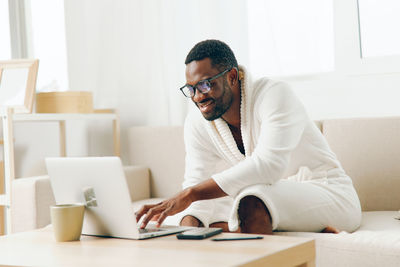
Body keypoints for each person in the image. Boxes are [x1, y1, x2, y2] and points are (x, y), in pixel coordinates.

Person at [136, 39, 362, 234]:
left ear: (232, 77)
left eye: (205, 85)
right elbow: (195, 187)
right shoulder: (197, 122)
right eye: (191, 89)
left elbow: (268, 167)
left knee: (251, 200)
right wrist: (186, 231)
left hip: (327, 193)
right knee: (203, 215)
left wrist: (189, 194)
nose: (197, 98)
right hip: (273, 196)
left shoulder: (274, 95)